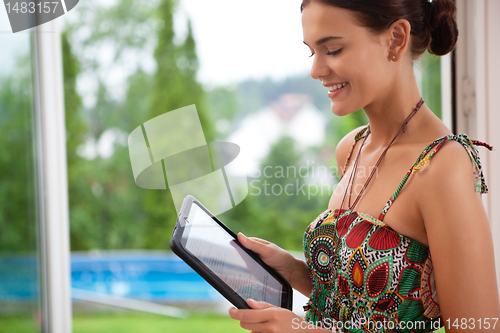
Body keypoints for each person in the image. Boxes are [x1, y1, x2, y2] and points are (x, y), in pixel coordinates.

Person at [228, 0, 500, 332]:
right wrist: (292, 271)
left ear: (396, 39)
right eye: (311, 52)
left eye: (333, 49)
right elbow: (366, 307)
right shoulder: (353, 148)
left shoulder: (442, 167)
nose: (315, 70)